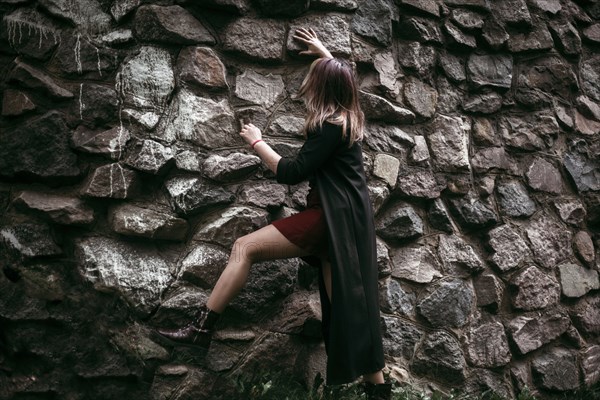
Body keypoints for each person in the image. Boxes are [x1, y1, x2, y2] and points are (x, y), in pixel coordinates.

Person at [153, 28, 391, 400]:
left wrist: (257, 142)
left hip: (330, 218)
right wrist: (323, 53)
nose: (307, 84)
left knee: (244, 248)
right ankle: (379, 392)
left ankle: (200, 330)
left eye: (314, 79)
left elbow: (291, 172)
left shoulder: (329, 127)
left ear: (324, 87)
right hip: (348, 222)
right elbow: (347, 86)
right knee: (351, 311)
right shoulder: (350, 117)